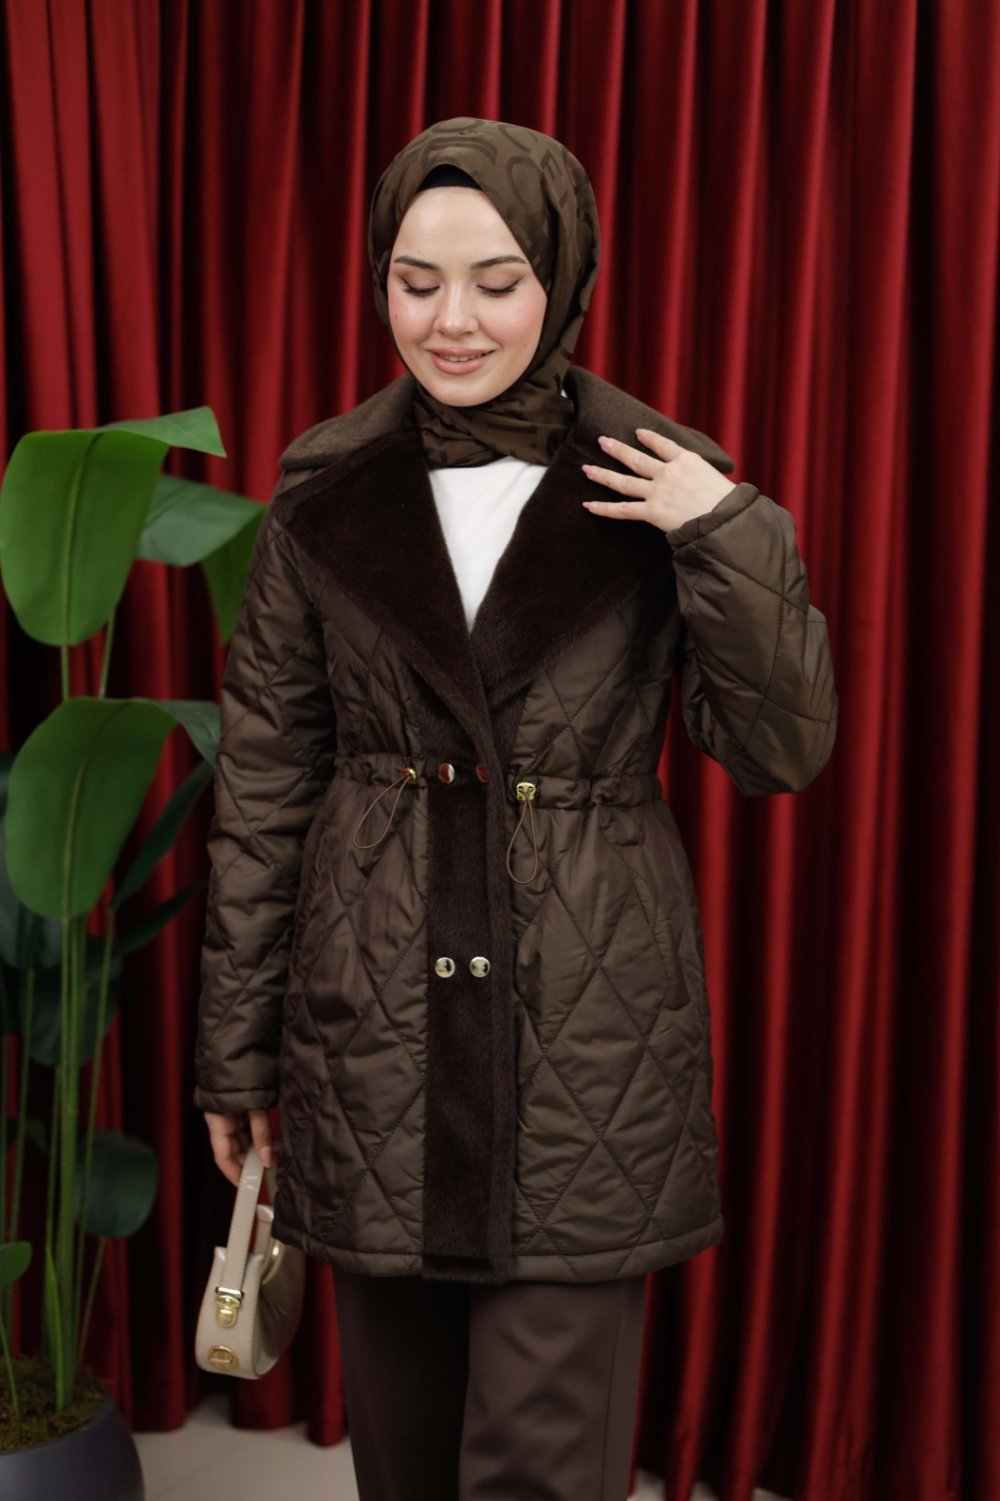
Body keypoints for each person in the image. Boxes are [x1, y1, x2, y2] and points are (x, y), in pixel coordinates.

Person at [193, 117, 838, 1501]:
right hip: (372, 1029)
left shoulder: (659, 476)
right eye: (416, 281)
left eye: (496, 281)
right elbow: (264, 783)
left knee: (544, 1468)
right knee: (405, 1464)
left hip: (584, 1035)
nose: (453, 321)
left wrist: (725, 531)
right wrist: (235, 1059)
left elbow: (781, 749)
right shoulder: (324, 490)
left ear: (561, 275)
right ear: (378, 277)